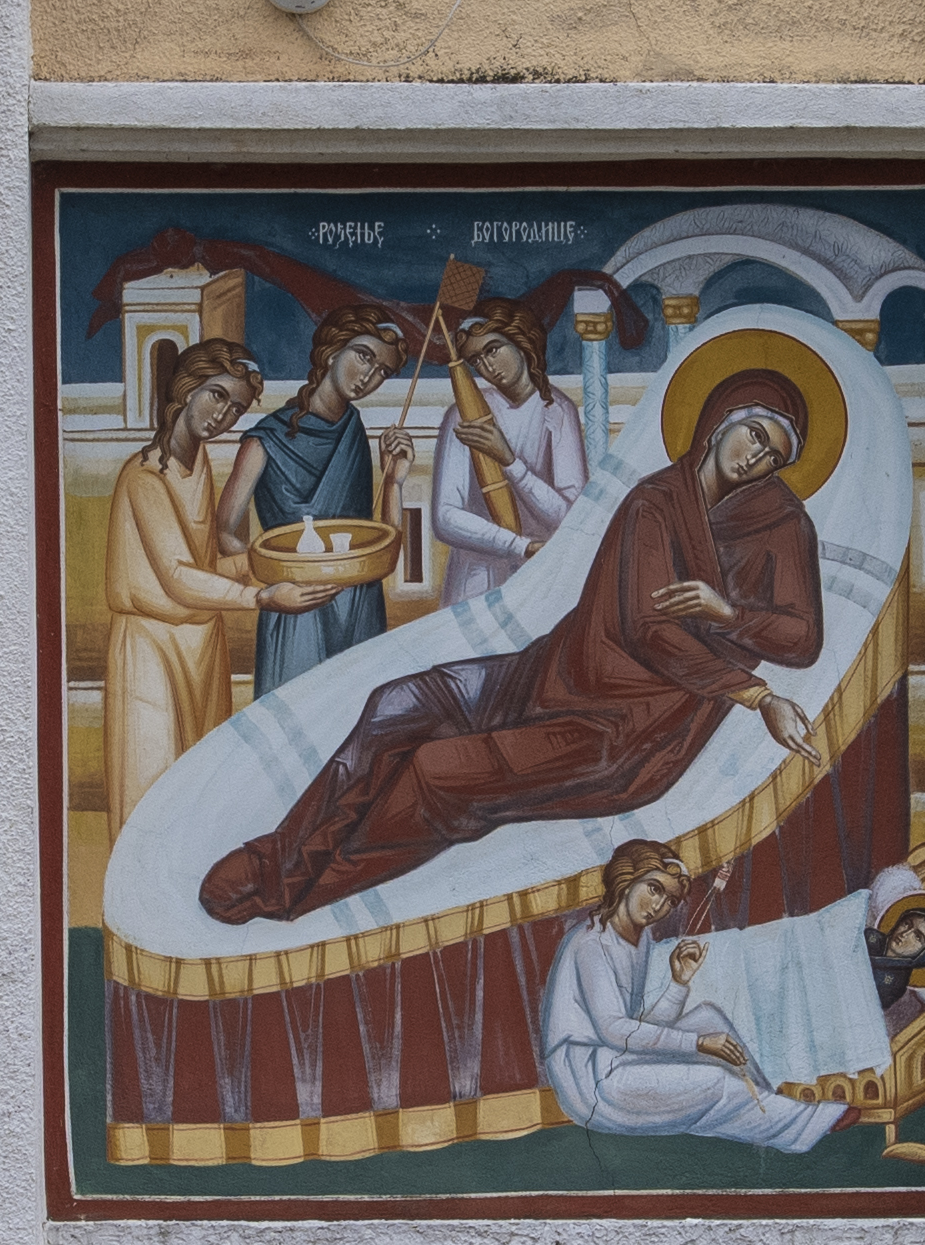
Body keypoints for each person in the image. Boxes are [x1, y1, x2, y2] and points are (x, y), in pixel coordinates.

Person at [201, 367, 825, 924]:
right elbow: (643, 622)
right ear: (720, 424)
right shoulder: (655, 503)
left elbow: (801, 636)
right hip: (554, 672)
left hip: (625, 729)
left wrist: (730, 617)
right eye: (753, 434)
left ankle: (303, 896)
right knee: (396, 704)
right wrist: (754, 686)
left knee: (434, 772)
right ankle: (281, 861)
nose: (755, 458)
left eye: (773, 453)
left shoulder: (781, 525)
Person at [92, 342, 321, 820]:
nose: (223, 415)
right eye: (216, 396)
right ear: (186, 389)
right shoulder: (144, 476)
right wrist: (261, 595)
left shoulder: (199, 468)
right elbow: (177, 578)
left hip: (202, 644)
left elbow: (206, 564)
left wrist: (275, 560)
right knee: (151, 789)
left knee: (199, 791)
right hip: (151, 646)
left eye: (235, 407)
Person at [536, 854, 839, 1151]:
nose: (659, 906)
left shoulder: (639, 942)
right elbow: (615, 1031)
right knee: (714, 1081)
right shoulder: (592, 943)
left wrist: (678, 984)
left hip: (615, 1058)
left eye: (669, 900)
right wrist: (697, 1044)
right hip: (590, 1081)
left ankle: (766, 1101)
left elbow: (640, 1030)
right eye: (654, 889)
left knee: (710, 1018)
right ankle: (798, 1125)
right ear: (627, 881)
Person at [240, 308, 420, 698]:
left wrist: (394, 480)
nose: (369, 376)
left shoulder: (354, 429)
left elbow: (381, 542)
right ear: (333, 349)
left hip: (358, 604)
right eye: (364, 356)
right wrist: (270, 582)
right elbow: (225, 534)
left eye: (383, 372)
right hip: (297, 607)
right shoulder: (265, 438)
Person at [410, 276, 590, 608]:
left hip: (543, 578)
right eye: (476, 360)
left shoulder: (558, 411)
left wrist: (509, 461)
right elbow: (445, 517)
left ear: (520, 340)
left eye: (492, 350)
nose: (488, 367)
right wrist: (518, 546)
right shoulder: (464, 413)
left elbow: (569, 514)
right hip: (476, 581)